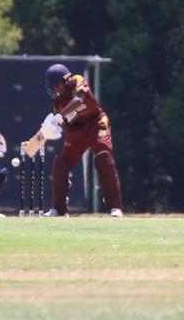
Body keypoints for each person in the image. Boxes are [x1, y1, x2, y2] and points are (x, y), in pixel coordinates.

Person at [39, 63, 124, 217]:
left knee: (104, 158)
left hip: (96, 123)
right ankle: (58, 209)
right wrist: (55, 128)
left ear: (66, 80)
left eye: (58, 85)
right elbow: (65, 123)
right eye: (54, 87)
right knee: (60, 165)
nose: (57, 89)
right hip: (77, 130)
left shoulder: (77, 80)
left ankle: (115, 207)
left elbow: (78, 100)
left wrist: (59, 116)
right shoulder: (56, 100)